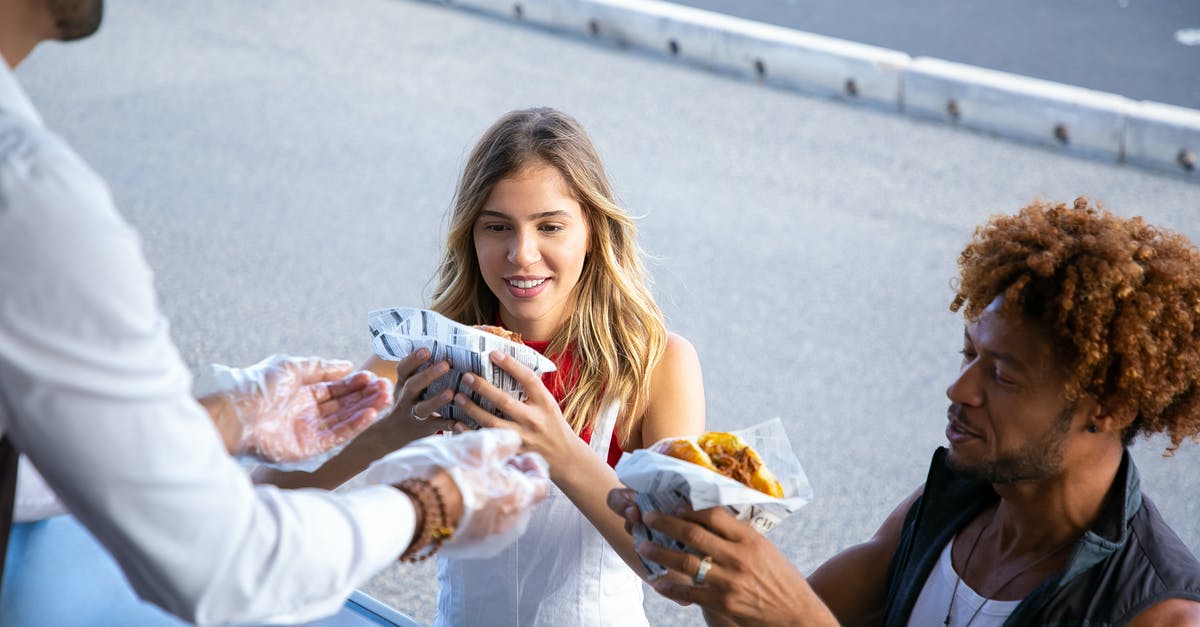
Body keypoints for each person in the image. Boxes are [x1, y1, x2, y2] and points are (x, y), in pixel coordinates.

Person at [0, 1, 550, 624]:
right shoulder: (30, 195)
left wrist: (226, 414)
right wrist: (434, 501)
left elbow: (48, 457)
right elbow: (223, 566)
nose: (521, 252)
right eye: (497, 226)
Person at [610, 198, 1200, 626]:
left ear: (1109, 406)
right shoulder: (939, 512)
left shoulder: (1158, 611)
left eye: (1002, 374)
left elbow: (797, 617)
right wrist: (704, 547)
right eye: (969, 354)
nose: (958, 389)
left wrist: (797, 618)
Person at [267, 107, 707, 626]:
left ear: (592, 231)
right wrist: (388, 434)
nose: (522, 254)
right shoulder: (425, 350)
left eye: (550, 227)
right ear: (470, 236)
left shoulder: (656, 364)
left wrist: (559, 450)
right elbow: (268, 503)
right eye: (498, 227)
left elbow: (683, 578)